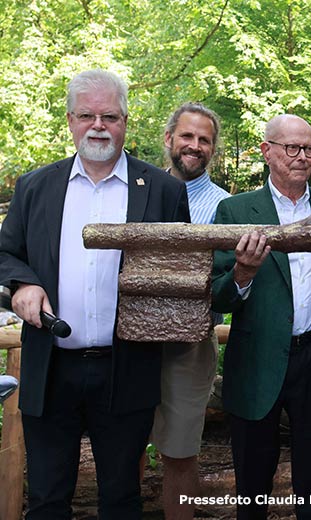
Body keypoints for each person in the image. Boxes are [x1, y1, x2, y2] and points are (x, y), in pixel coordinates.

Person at [0, 69, 190, 519]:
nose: (98, 125)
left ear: (126, 120)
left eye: (109, 115)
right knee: (46, 497)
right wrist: (22, 285)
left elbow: (182, 269)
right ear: (70, 120)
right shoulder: (35, 186)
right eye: (87, 115)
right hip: (51, 365)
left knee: (122, 498)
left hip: (128, 367)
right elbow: (4, 254)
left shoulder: (163, 190)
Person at [211, 114, 311, 520]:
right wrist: (242, 274)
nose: (302, 156)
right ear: (266, 151)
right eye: (292, 147)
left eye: (308, 148)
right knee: (253, 478)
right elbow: (217, 295)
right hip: (257, 360)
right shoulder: (236, 210)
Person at [150, 102, 230, 519]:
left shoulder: (226, 208)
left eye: (204, 140)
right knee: (118, 445)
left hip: (190, 345)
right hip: (127, 342)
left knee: (181, 453)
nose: (194, 146)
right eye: (187, 136)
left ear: (212, 149)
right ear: (169, 139)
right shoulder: (136, 190)